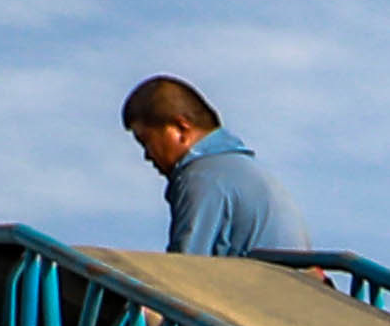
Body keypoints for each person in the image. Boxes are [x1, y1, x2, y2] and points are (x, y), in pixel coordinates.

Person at [122, 77, 298, 257]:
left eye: (146, 142)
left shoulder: (201, 177)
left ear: (181, 128)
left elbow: (184, 269)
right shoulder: (243, 167)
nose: (147, 155)